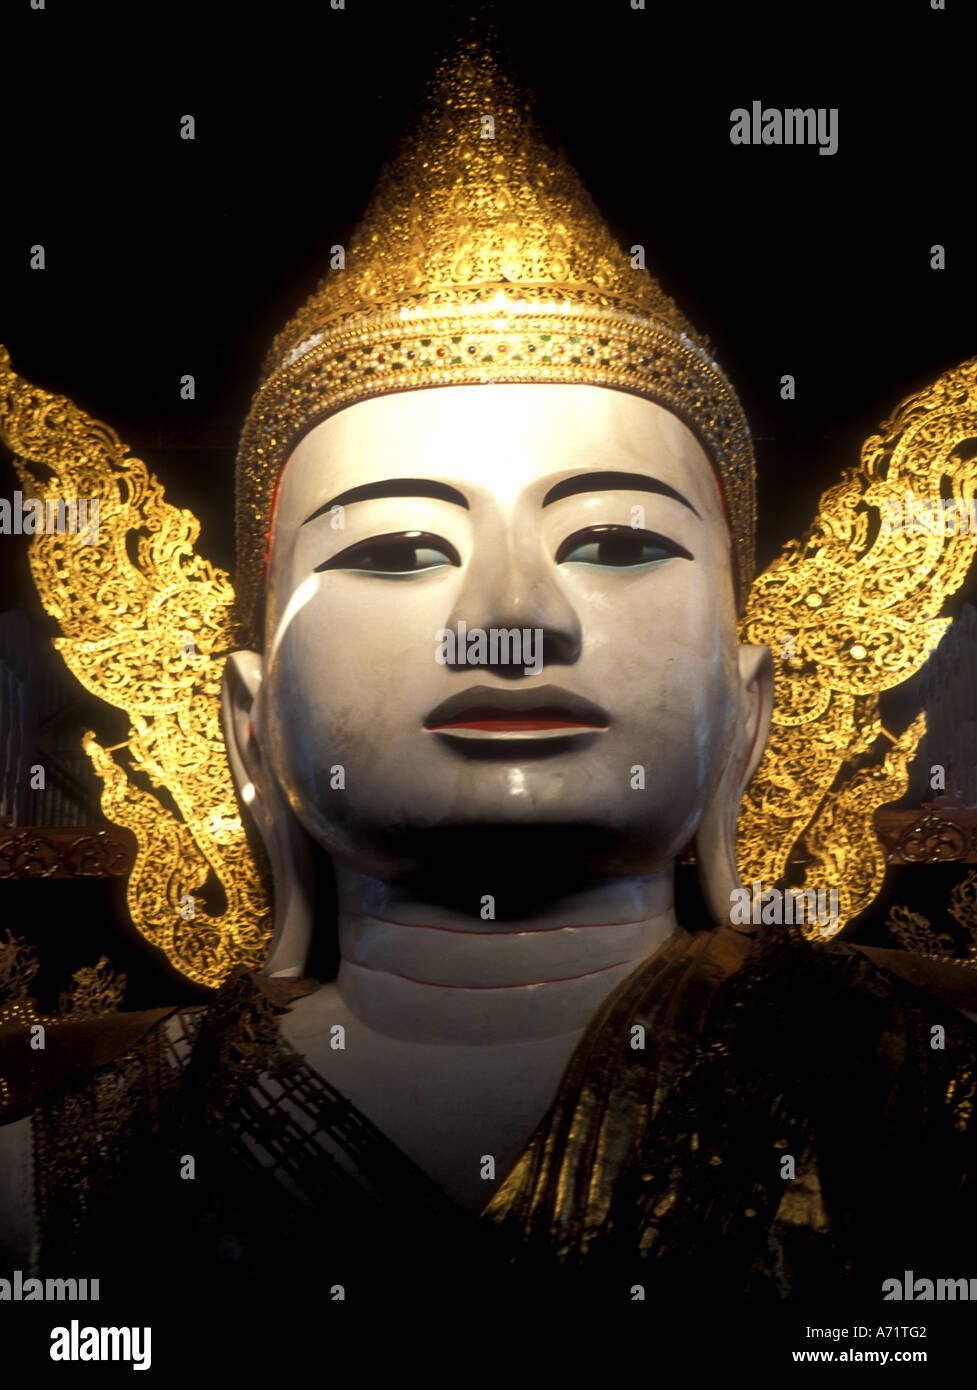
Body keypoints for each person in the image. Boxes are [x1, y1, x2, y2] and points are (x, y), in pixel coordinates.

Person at [2, 31, 976, 1324]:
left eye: (615, 541)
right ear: (246, 725)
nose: (509, 616)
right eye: (401, 545)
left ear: (750, 710)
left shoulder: (918, 1107)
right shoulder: (61, 1177)